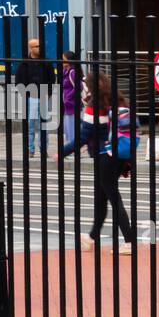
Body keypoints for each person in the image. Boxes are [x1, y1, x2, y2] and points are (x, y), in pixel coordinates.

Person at [62, 71, 136, 254]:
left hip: (104, 157)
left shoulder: (95, 105)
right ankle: (92, 236)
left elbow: (83, 137)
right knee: (101, 198)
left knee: (112, 198)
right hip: (118, 156)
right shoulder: (116, 100)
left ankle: (129, 240)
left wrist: (61, 152)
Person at [15, 37, 55, 156]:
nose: (40, 48)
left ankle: (43, 149)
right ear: (31, 49)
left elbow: (52, 79)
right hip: (31, 97)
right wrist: (26, 94)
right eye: (37, 46)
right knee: (30, 126)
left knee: (44, 125)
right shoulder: (24, 63)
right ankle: (30, 150)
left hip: (43, 96)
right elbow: (18, 81)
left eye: (40, 46)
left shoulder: (46, 62)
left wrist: (48, 93)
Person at [59, 50, 79, 148]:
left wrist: (68, 98)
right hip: (67, 105)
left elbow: (79, 87)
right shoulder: (65, 72)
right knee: (67, 128)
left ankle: (73, 149)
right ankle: (71, 147)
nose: (62, 61)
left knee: (71, 128)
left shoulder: (72, 72)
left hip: (72, 104)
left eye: (64, 59)